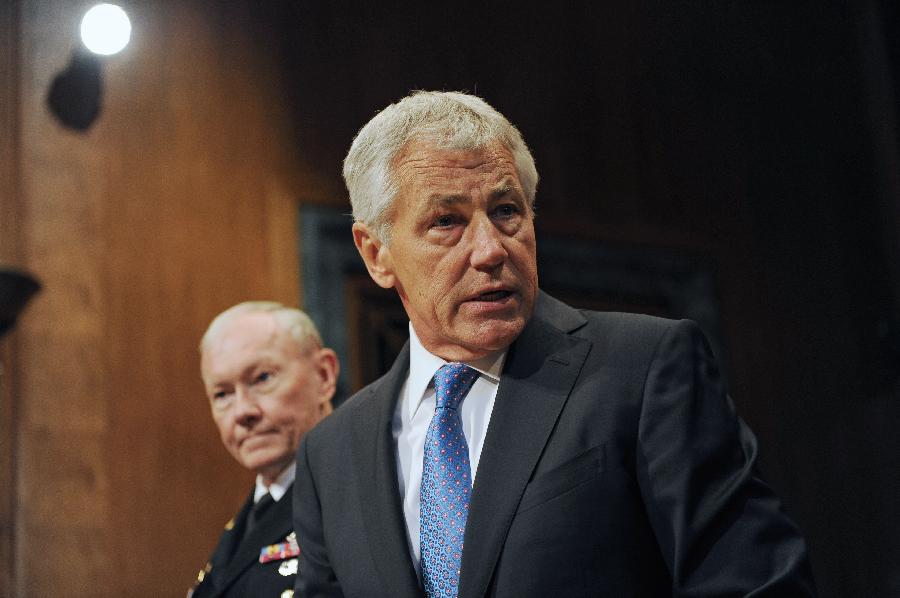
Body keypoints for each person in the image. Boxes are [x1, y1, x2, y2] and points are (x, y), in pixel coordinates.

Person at [293, 91, 817, 597]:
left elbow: (754, 582)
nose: (489, 250)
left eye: (505, 211)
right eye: (446, 222)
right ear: (376, 254)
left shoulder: (643, 368)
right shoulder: (332, 453)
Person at [189, 302, 338, 598]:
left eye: (262, 379)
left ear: (323, 375)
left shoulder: (358, 495)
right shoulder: (252, 514)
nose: (243, 411)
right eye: (222, 394)